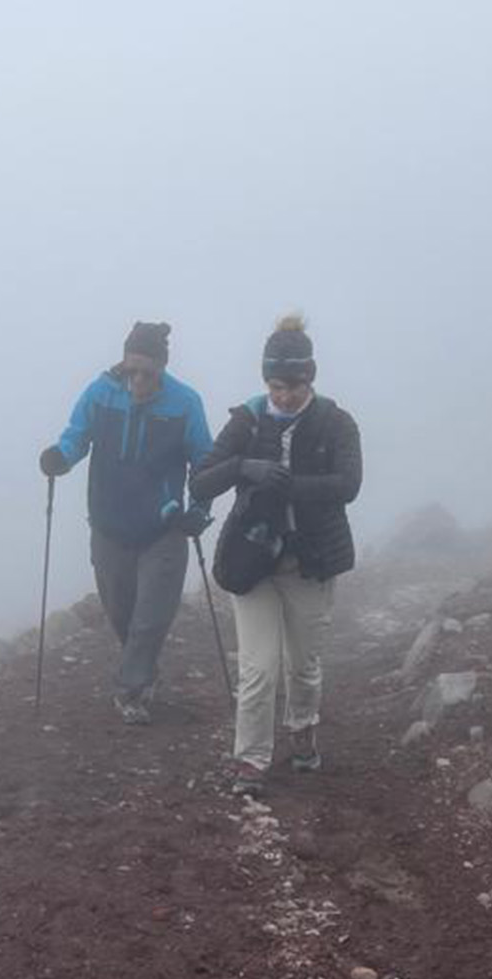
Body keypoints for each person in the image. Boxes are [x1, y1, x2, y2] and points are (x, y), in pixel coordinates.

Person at [190, 314, 361, 795]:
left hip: (311, 561)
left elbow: (349, 485)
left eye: (292, 384)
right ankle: (250, 763)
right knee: (258, 667)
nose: (282, 395)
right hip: (253, 560)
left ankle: (302, 729)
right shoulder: (246, 420)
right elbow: (201, 480)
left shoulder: (337, 422)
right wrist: (245, 466)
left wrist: (289, 486)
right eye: (274, 384)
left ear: (310, 378)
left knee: (303, 665)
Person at [40, 322, 215, 724]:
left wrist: (199, 508)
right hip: (108, 525)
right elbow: (76, 437)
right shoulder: (100, 393)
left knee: (151, 615)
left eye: (147, 373)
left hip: (165, 528)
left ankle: (131, 691)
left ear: (162, 368)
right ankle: (143, 671)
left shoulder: (185, 403)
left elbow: (204, 462)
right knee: (120, 611)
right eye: (130, 369)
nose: (137, 380)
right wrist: (60, 459)